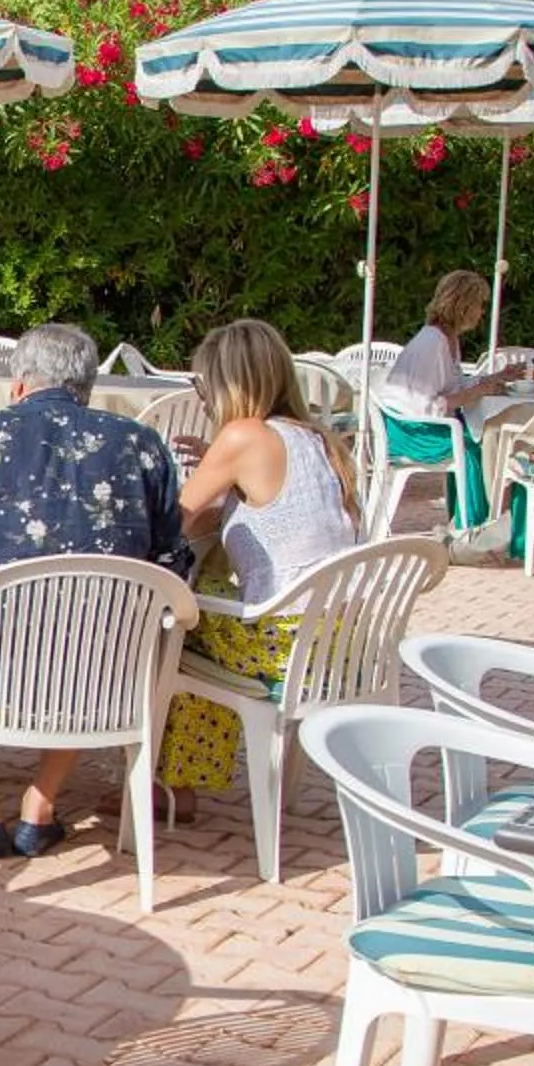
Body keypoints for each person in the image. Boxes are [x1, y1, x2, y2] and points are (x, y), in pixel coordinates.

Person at [0, 321, 190, 860]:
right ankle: (39, 806)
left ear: (19, 382)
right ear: (87, 385)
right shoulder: (142, 445)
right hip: (104, 666)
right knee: (95, 638)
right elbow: (172, 563)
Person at [158, 319, 363, 819]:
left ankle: (166, 786)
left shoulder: (243, 437)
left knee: (171, 616)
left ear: (230, 381)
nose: (203, 398)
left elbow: (170, 524)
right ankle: (180, 782)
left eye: (204, 384)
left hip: (284, 643)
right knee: (196, 608)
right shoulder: (315, 438)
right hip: (342, 640)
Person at [373, 268, 515, 527]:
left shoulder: (447, 338)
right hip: (407, 431)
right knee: (478, 445)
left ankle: (486, 521)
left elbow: (453, 383)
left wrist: (494, 379)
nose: (482, 313)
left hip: (411, 423)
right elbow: (428, 405)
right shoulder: (433, 342)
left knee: (487, 440)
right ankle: (472, 527)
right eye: (479, 305)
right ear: (464, 306)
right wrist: (478, 392)